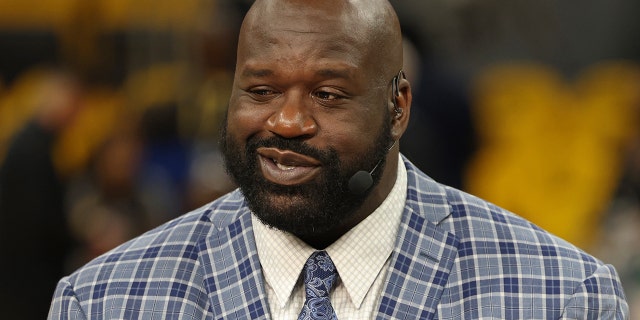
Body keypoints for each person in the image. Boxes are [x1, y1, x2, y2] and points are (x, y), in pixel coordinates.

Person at [49, 0, 628, 319]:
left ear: (398, 106)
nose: (287, 122)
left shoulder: (560, 296)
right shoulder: (105, 300)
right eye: (260, 90)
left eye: (328, 94)